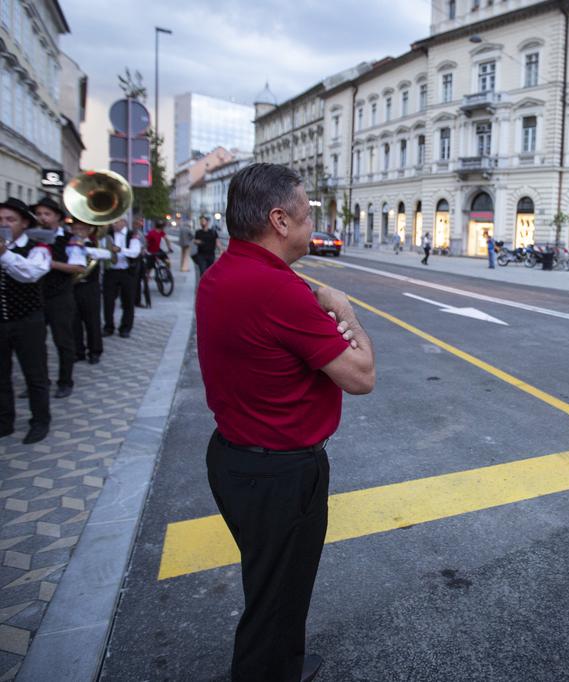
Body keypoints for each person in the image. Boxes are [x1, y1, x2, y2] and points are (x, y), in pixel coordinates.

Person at [196, 163, 375, 682]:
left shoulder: (224, 272)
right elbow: (361, 377)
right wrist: (346, 311)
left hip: (235, 457)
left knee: (270, 587)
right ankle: (268, 671)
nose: (310, 225)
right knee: (277, 600)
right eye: (305, 214)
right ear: (279, 220)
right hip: (280, 474)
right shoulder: (278, 291)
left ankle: (282, 665)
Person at [0, 198, 52, 444]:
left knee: (35, 374)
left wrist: (5, 255)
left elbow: (31, 274)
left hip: (28, 321)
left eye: (10, 220)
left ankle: (40, 421)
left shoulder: (37, 248)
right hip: (2, 321)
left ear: (23, 224)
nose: (4, 224)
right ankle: (4, 421)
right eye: (0, 220)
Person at [31, 196, 84, 398]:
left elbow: (78, 267)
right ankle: (39, 381)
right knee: (35, 343)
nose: (42, 218)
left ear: (58, 218)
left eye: (47, 214)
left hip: (60, 296)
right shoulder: (32, 237)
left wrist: (49, 263)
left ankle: (65, 381)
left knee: (63, 341)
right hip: (35, 295)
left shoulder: (71, 239)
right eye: (39, 214)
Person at [69, 220, 110, 364]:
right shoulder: (67, 245)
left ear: (88, 231)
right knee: (74, 321)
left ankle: (95, 351)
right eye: (75, 228)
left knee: (92, 321)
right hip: (72, 287)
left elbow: (107, 254)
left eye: (82, 229)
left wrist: (85, 249)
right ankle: (78, 351)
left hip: (90, 287)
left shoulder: (94, 245)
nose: (78, 231)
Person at [103, 217, 142, 339]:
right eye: (112, 222)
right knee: (108, 301)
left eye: (116, 221)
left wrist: (120, 250)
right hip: (111, 272)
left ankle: (125, 328)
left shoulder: (132, 235)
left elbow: (135, 252)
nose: (114, 224)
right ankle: (108, 326)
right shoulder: (107, 235)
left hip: (127, 272)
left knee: (128, 301)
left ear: (124, 222)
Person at [141, 220, 174, 305]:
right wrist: (144, 250)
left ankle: (167, 273)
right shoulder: (151, 233)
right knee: (148, 269)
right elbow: (146, 242)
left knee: (168, 261)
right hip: (151, 251)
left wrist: (169, 248)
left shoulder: (161, 232)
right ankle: (145, 285)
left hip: (158, 250)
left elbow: (167, 239)